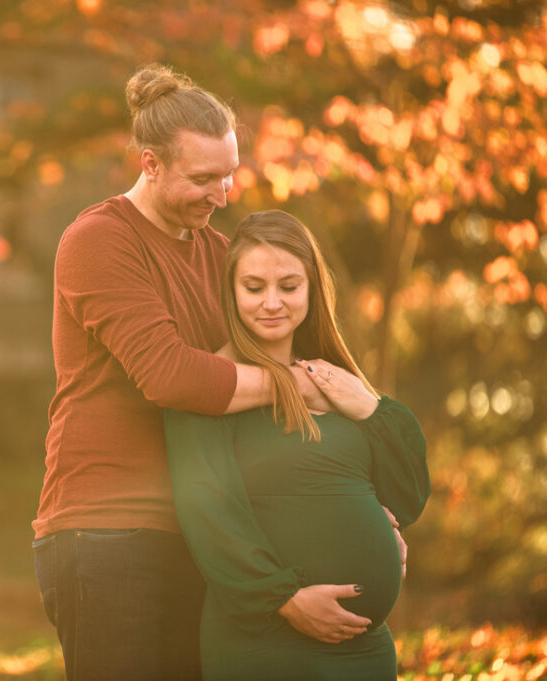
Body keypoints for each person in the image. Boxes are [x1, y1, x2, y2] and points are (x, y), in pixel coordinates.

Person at [32, 63, 413, 681]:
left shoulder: (219, 255)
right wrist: (304, 386)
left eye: (230, 175)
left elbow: (261, 377)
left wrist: (367, 509)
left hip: (195, 535)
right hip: (106, 532)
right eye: (203, 178)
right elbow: (173, 377)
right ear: (150, 165)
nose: (223, 195)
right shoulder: (99, 241)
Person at [166, 210, 431, 680]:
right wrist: (285, 601)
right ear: (230, 291)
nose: (272, 303)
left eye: (289, 287)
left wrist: (369, 408)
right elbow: (209, 516)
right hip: (264, 644)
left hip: (364, 651)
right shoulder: (206, 390)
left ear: (312, 289)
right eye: (254, 287)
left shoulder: (335, 382)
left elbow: (408, 491)